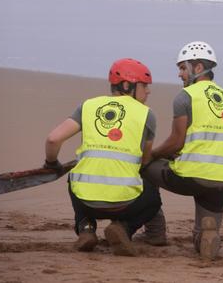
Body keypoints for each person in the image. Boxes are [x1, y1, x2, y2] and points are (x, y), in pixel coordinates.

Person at [43, 58, 161, 256]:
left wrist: (51, 163)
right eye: (144, 85)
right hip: (124, 205)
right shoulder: (146, 115)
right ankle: (123, 228)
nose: (148, 91)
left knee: (75, 176)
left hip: (86, 201)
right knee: (153, 197)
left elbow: (53, 139)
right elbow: (145, 161)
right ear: (127, 85)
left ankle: (86, 229)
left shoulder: (88, 106)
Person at [141, 41, 223, 260]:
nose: (179, 74)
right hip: (222, 182)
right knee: (202, 235)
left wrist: (153, 155)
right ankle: (205, 235)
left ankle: (155, 230)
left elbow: (177, 142)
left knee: (143, 168)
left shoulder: (185, 96)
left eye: (182, 68)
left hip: (191, 176)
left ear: (197, 68)